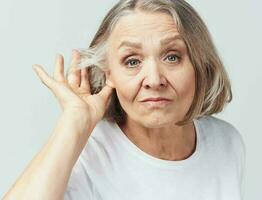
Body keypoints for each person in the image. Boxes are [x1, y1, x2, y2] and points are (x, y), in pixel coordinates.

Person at [3, 0, 246, 199]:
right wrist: (73, 122)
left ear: (199, 65)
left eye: (172, 57)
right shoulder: (85, 154)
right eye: (132, 61)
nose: (153, 79)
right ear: (110, 74)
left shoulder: (226, 142)